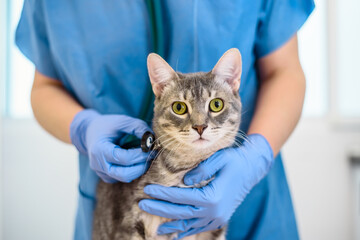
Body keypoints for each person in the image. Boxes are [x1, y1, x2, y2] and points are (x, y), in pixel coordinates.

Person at [15, 0, 314, 239]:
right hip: (119, 200)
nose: (199, 123)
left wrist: (256, 156)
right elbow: (45, 87)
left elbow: (284, 71)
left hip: (247, 195)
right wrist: (83, 127)